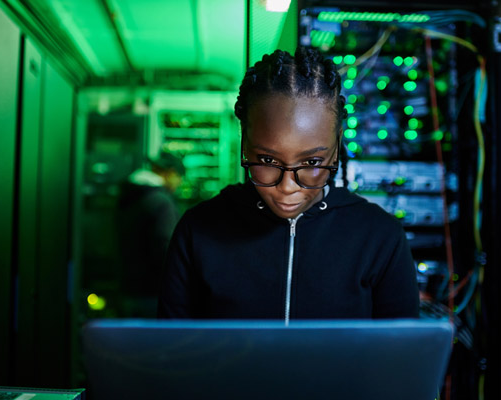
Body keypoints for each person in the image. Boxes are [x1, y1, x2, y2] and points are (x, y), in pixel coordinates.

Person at [157, 47, 419, 322]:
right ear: (244, 139)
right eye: (267, 160)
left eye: (312, 163)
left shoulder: (380, 238)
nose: (287, 187)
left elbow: (400, 359)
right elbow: (172, 355)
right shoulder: (198, 231)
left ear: (338, 142)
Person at [116, 152, 184, 317]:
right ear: (170, 173)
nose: (178, 185)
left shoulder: (129, 196)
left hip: (128, 289)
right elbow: (165, 250)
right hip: (153, 294)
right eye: (179, 178)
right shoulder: (161, 202)